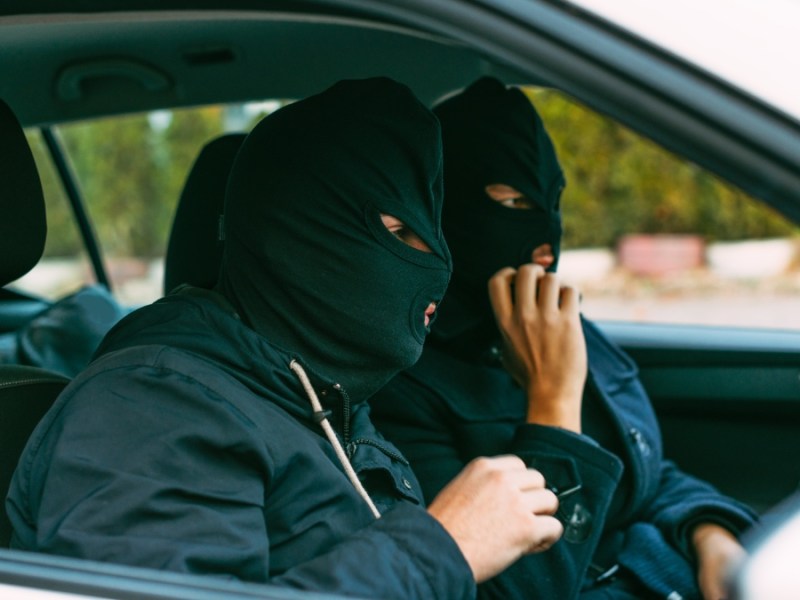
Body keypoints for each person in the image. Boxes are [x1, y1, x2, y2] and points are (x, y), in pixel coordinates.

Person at [5, 77, 567, 599]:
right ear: (301, 230)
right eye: (397, 231)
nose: (436, 264)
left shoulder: (317, 394)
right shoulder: (150, 408)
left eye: (432, 233)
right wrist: (445, 548)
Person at [369, 77, 758, 600]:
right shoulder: (400, 384)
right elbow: (514, 585)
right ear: (444, 207)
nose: (546, 238)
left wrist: (711, 535)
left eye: (553, 201)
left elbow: (641, 473)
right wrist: (553, 403)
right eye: (511, 203)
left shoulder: (560, 322)